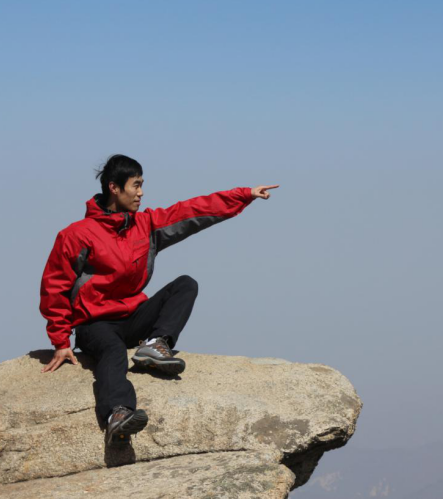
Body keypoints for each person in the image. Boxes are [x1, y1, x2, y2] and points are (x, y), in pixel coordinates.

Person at [39, 154, 278, 445]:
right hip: (96, 324)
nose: (141, 192)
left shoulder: (146, 224)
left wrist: (243, 195)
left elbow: (191, 211)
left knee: (185, 285)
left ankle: (154, 345)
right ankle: (118, 414)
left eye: (142, 185)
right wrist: (61, 341)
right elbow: (54, 287)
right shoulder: (77, 235)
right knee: (113, 352)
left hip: (134, 316)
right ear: (114, 188)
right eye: (135, 185)